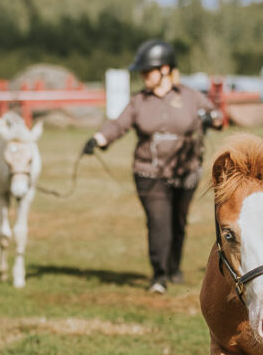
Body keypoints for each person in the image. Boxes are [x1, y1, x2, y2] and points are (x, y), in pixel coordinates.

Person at [83, 39, 222, 293]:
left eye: (148, 71)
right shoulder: (139, 101)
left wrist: (212, 119)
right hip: (149, 172)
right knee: (159, 222)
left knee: (178, 221)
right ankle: (159, 275)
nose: (144, 76)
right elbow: (118, 124)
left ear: (165, 70)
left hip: (186, 170)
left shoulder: (191, 97)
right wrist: (99, 139)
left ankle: (173, 266)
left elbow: (218, 116)